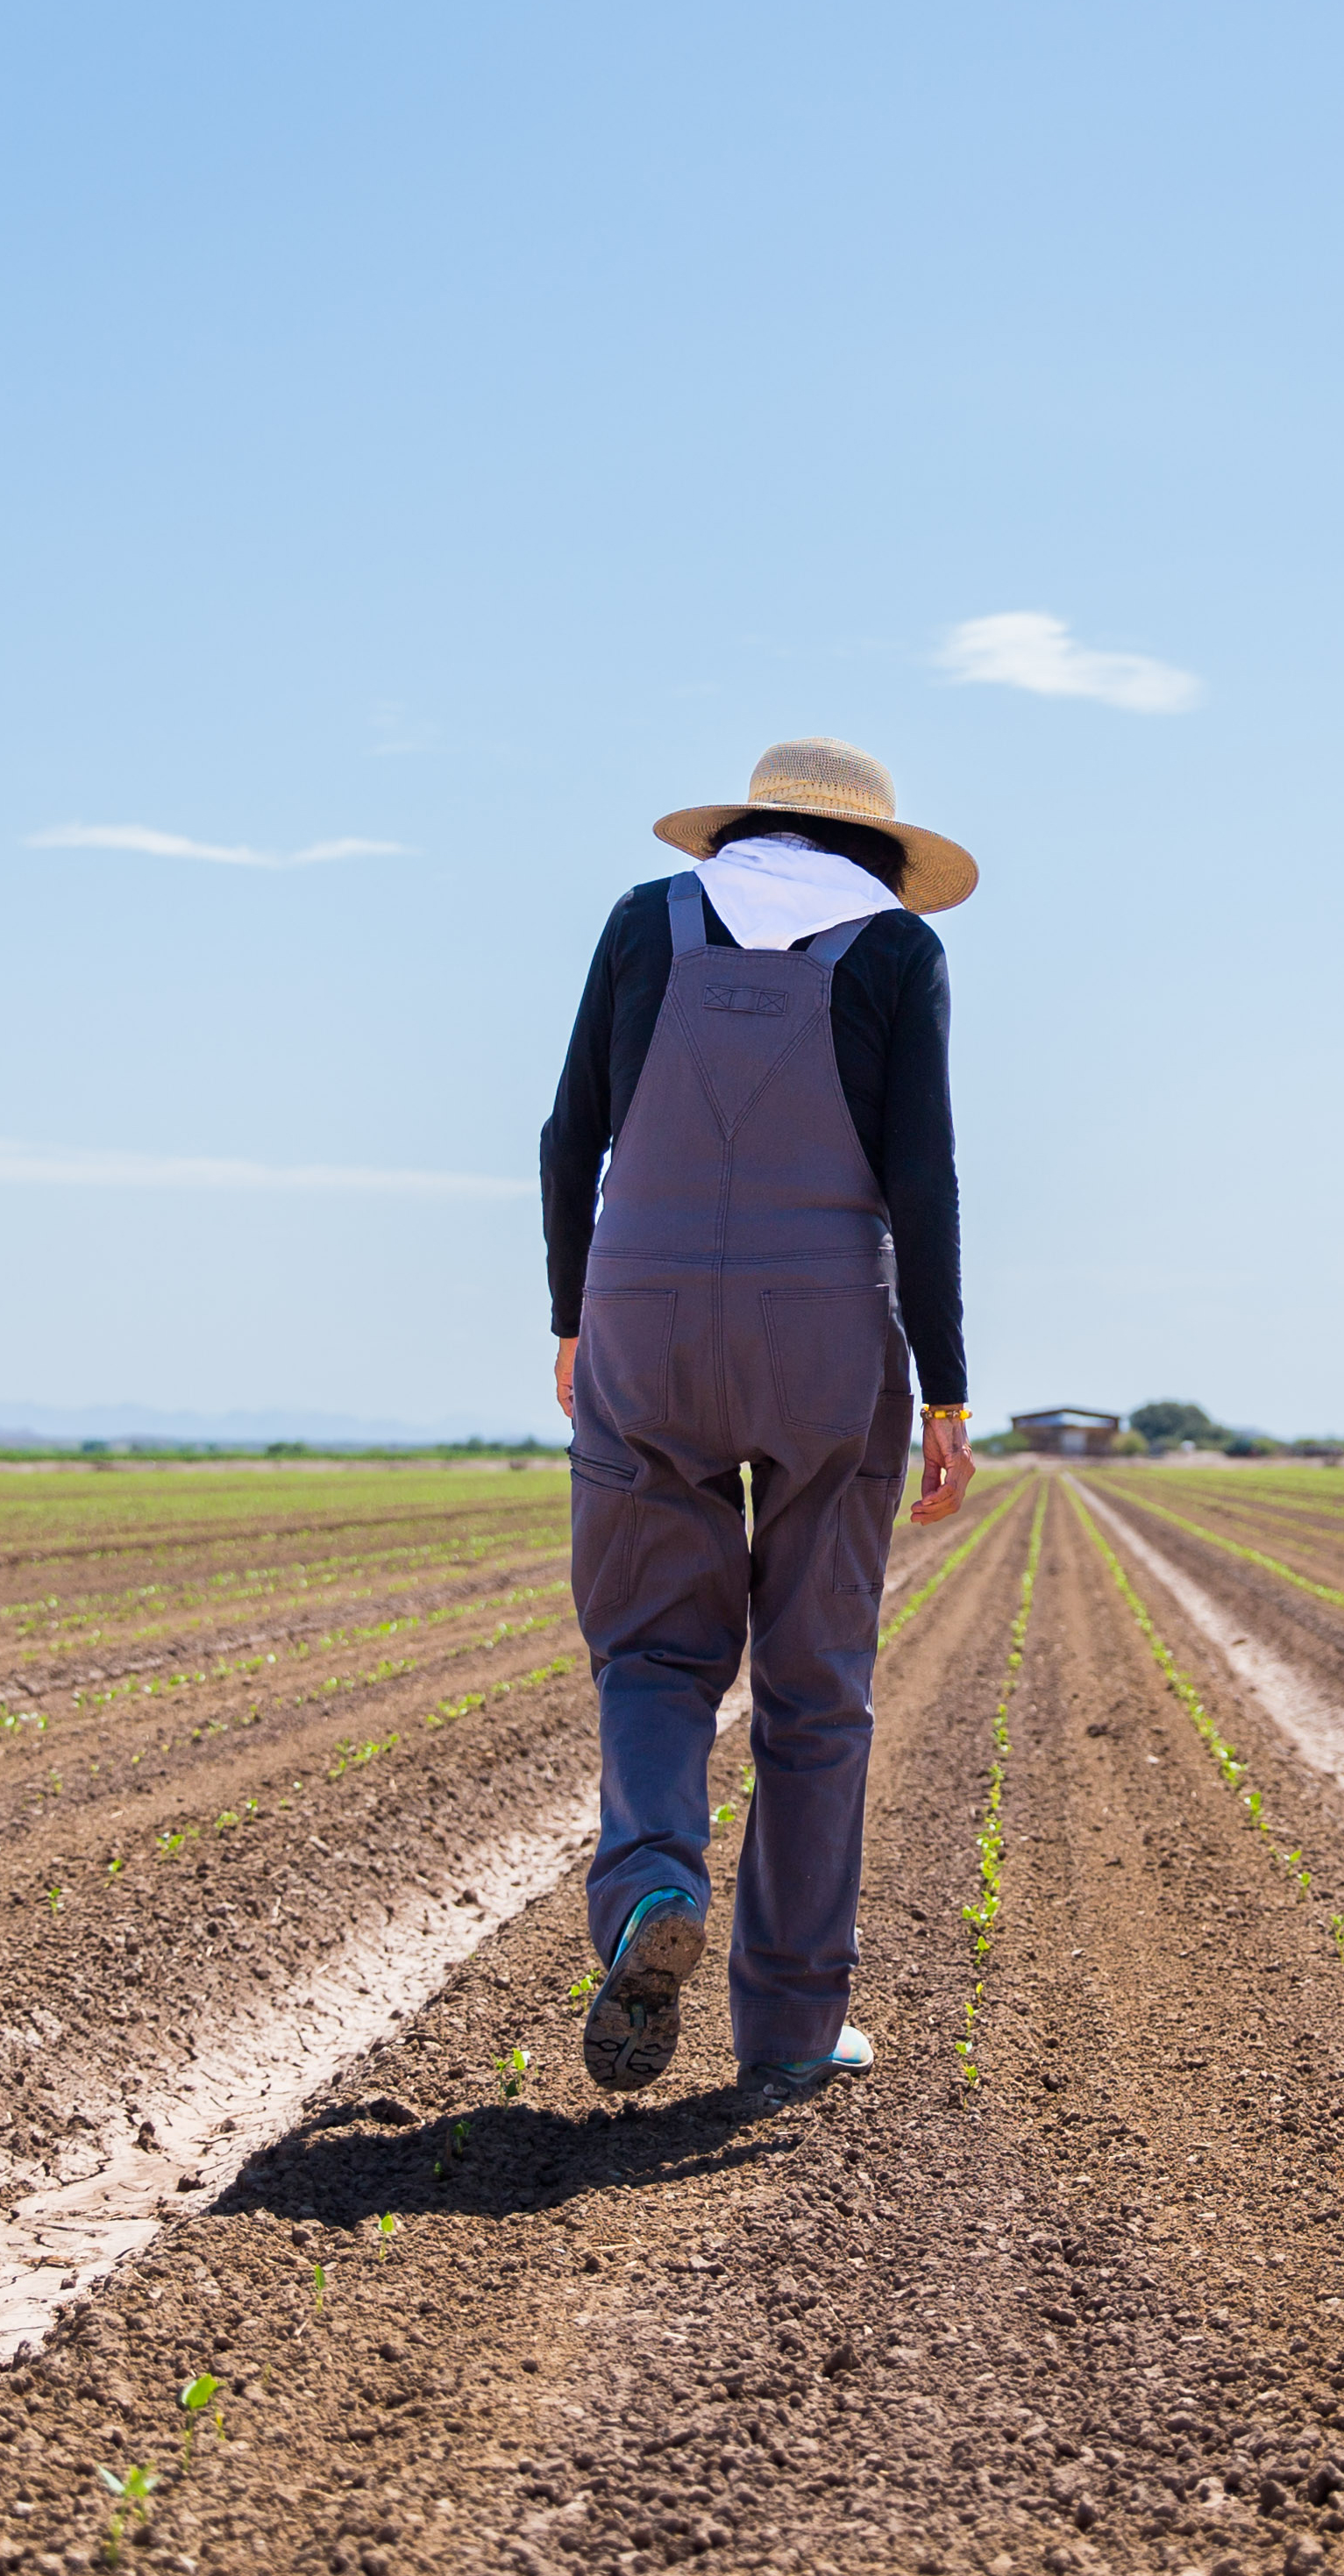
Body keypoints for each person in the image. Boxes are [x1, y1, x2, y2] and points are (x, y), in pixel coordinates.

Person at [537, 737, 978, 2107]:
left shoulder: (643, 921)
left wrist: (572, 1317)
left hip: (643, 1316)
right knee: (813, 1686)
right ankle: (790, 2025)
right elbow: (923, 1173)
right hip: (827, 1330)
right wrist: (950, 1380)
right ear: (873, 851)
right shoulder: (895, 953)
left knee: (654, 1649)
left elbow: (570, 1135)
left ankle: (652, 1881)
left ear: (745, 827)